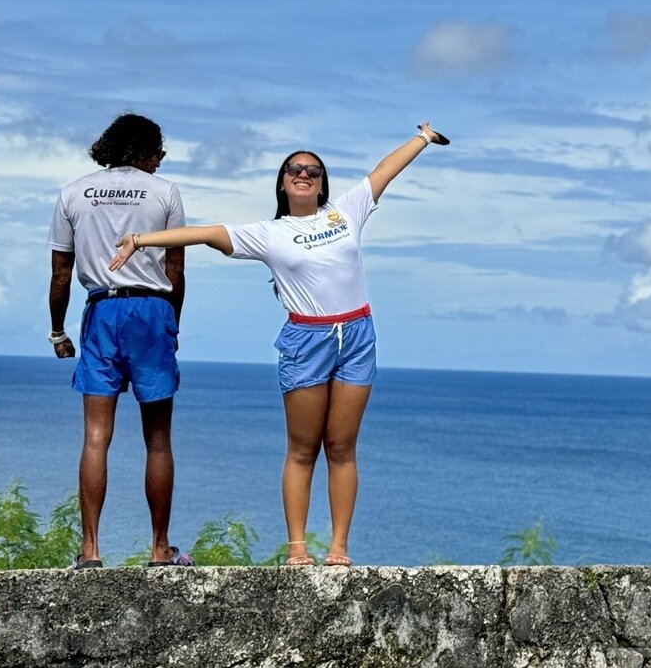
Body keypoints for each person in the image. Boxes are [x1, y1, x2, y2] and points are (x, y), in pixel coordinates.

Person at [108, 122, 447, 567]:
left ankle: (340, 549)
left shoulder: (347, 211)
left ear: (323, 183)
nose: (304, 173)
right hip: (307, 340)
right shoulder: (269, 234)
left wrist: (422, 138)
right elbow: (205, 233)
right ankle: (297, 549)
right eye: (294, 169)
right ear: (283, 182)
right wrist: (140, 239)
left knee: (342, 448)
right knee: (304, 448)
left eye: (313, 170)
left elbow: (386, 169)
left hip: (357, 335)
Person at [48, 112, 193, 568]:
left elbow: (61, 274)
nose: (159, 163)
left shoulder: (74, 192)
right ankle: (159, 549)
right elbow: (176, 270)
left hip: (102, 308)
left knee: (95, 436)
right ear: (147, 151)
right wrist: (174, 324)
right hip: (151, 309)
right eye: (159, 155)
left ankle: (90, 551)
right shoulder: (165, 192)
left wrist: (57, 330)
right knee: (158, 440)